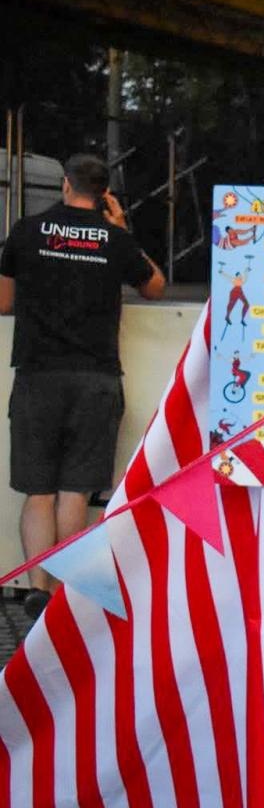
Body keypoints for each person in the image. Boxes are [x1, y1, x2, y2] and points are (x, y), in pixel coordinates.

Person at [0, 153, 165, 621]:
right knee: (74, 492)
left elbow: (4, 302)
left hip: (38, 376)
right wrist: (122, 228)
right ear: (105, 194)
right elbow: (155, 286)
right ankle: (62, 594)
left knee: (38, 492)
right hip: (96, 379)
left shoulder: (26, 232)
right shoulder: (115, 240)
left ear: (65, 185)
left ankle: (37, 587)